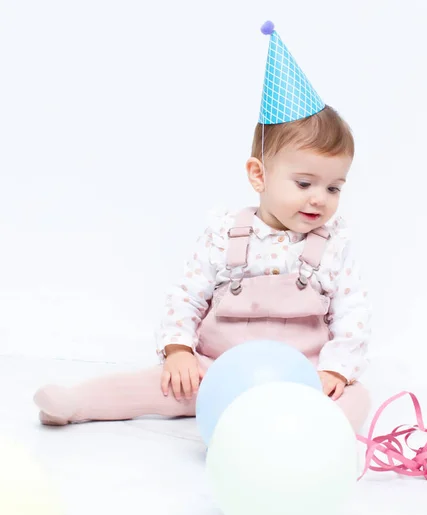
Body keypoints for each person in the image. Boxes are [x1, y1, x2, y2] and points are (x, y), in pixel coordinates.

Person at [33, 21, 372, 435]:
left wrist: (336, 371)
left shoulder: (334, 245)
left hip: (300, 378)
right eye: (304, 183)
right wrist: (179, 350)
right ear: (258, 175)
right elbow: (187, 295)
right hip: (219, 374)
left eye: (333, 186)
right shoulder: (226, 233)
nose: (319, 198)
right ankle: (78, 402)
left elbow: (352, 312)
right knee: (161, 384)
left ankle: (312, 433)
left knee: (358, 397)